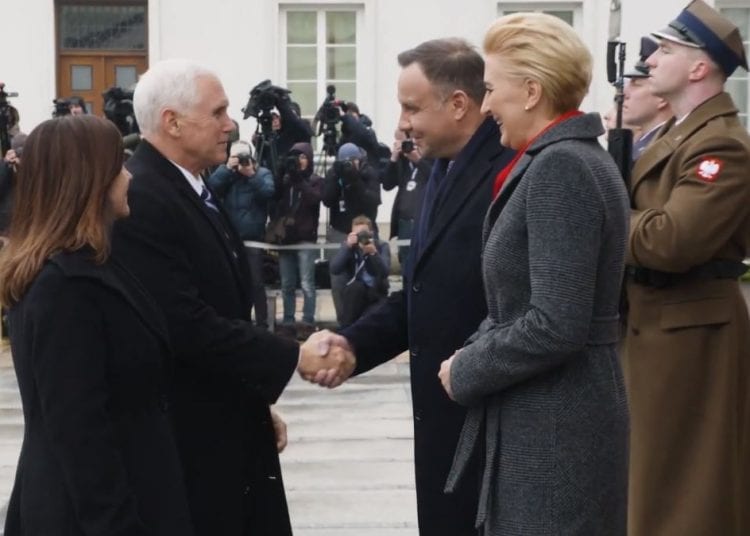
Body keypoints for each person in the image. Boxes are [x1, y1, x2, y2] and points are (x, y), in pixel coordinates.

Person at [110, 59, 354, 535]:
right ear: (172, 122)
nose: (230, 125)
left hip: (224, 419)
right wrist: (293, 355)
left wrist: (253, 403)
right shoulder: (144, 197)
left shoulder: (191, 184)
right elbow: (183, 323)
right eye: (217, 112)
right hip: (191, 439)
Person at [309, 38, 516, 535]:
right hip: (444, 419)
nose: (401, 123)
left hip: (492, 423)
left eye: (411, 107)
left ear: (459, 104)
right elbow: (425, 290)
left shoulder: (509, 167)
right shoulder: (440, 167)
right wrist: (354, 344)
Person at [433, 13, 630, 533]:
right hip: (550, 418)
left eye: (491, 89)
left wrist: (468, 367)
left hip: (556, 429)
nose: (486, 105)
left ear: (531, 92)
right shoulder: (562, 158)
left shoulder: (562, 167)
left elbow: (555, 323)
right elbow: (520, 304)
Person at [0, 115, 194, 535]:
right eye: (118, 166)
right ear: (89, 181)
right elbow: (79, 431)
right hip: (92, 515)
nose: (129, 176)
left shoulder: (92, 266)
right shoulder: (63, 287)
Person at [623, 1, 750, 534]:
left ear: (699, 67)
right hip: (660, 323)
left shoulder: (720, 143)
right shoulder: (680, 135)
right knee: (653, 486)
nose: (651, 60)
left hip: (692, 330)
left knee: (688, 495)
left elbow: (671, 240)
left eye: (666, 50)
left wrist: (603, 216)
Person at [207, 141, 274, 329]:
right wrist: (226, 169)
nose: (241, 161)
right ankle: (238, 322)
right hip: (230, 238)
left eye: (243, 157)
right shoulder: (227, 175)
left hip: (253, 238)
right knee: (232, 282)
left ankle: (262, 324)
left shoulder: (262, 173)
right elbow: (210, 189)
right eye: (237, 158)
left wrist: (251, 175)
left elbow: (268, 192)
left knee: (256, 282)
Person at [321, 141, 381, 325]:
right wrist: (337, 177)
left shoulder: (368, 173)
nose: (349, 165)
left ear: (359, 160)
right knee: (339, 281)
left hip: (364, 230)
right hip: (340, 231)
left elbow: (372, 201)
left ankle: (367, 322)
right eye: (345, 162)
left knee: (369, 278)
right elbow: (327, 200)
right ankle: (344, 323)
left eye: (352, 161)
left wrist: (354, 181)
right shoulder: (334, 173)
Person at [272, 142, 323, 338]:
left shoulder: (315, 180)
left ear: (309, 159)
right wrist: (280, 173)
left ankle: (308, 321)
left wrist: (298, 178)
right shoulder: (286, 180)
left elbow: (314, 199)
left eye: (302, 157)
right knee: (287, 284)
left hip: (305, 238)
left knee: (307, 283)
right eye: (295, 157)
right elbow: (274, 196)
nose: (299, 161)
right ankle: (288, 321)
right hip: (286, 239)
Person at [380, 128, 431, 273]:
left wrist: (418, 160)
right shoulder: (401, 162)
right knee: (405, 263)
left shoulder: (430, 157)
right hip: (404, 222)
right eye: (396, 140)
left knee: (423, 263)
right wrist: (393, 159)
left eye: (402, 140)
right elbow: (387, 184)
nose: (400, 144)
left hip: (423, 220)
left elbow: (436, 178)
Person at [330, 215, 390, 327]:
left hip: (376, 291)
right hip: (355, 292)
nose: (361, 237)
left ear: (371, 233)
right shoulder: (350, 247)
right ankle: (346, 329)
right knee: (356, 288)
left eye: (363, 234)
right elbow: (335, 269)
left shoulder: (382, 246)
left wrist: (373, 253)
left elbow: (384, 272)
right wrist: (347, 246)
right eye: (357, 234)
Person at [623, 36, 673, 160]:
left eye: (636, 84)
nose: (625, 93)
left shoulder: (665, 146)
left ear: (662, 98)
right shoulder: (645, 142)